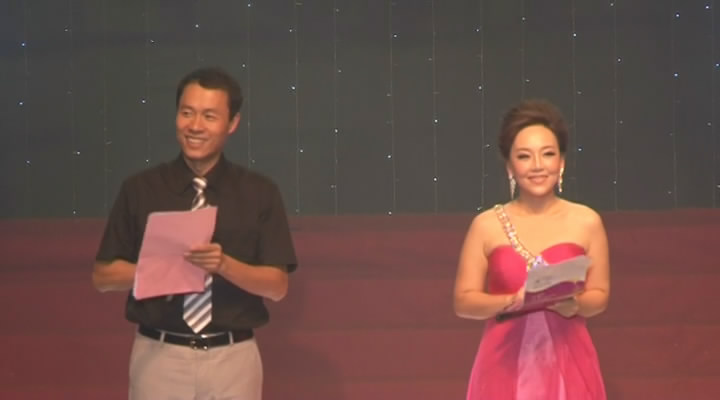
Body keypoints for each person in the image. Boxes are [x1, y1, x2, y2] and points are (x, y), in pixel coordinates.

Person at [92, 67, 298, 400]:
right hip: (159, 356)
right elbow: (103, 277)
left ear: (232, 123)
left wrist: (223, 265)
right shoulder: (140, 189)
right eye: (187, 113)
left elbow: (277, 286)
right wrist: (162, 267)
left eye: (209, 116)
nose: (195, 126)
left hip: (232, 359)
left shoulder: (259, 193)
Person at [453, 99, 609, 399]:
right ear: (510, 166)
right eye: (524, 156)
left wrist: (575, 305)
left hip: (570, 359)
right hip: (503, 363)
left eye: (548, 154)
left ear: (561, 162)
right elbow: (464, 302)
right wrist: (513, 301)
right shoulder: (486, 225)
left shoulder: (586, 221)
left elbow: (600, 296)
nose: (537, 165)